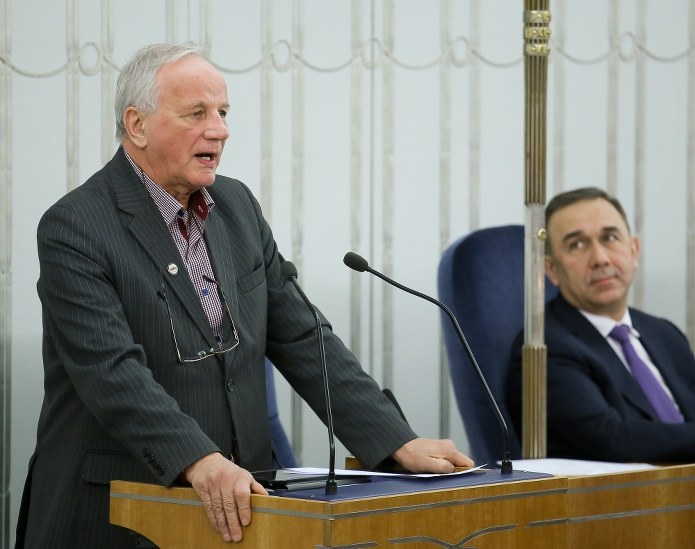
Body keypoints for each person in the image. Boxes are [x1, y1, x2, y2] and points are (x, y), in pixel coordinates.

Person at [15, 43, 473, 548]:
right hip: (119, 512)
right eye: (197, 113)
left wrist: (395, 439)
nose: (220, 130)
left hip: (243, 509)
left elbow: (303, 337)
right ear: (137, 125)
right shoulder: (76, 226)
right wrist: (198, 459)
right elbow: (111, 373)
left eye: (223, 112)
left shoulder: (236, 206)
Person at [507, 186, 695, 463]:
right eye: (577, 245)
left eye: (609, 238)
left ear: (633, 250)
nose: (600, 259)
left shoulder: (664, 333)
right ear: (552, 270)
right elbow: (612, 440)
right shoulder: (545, 348)